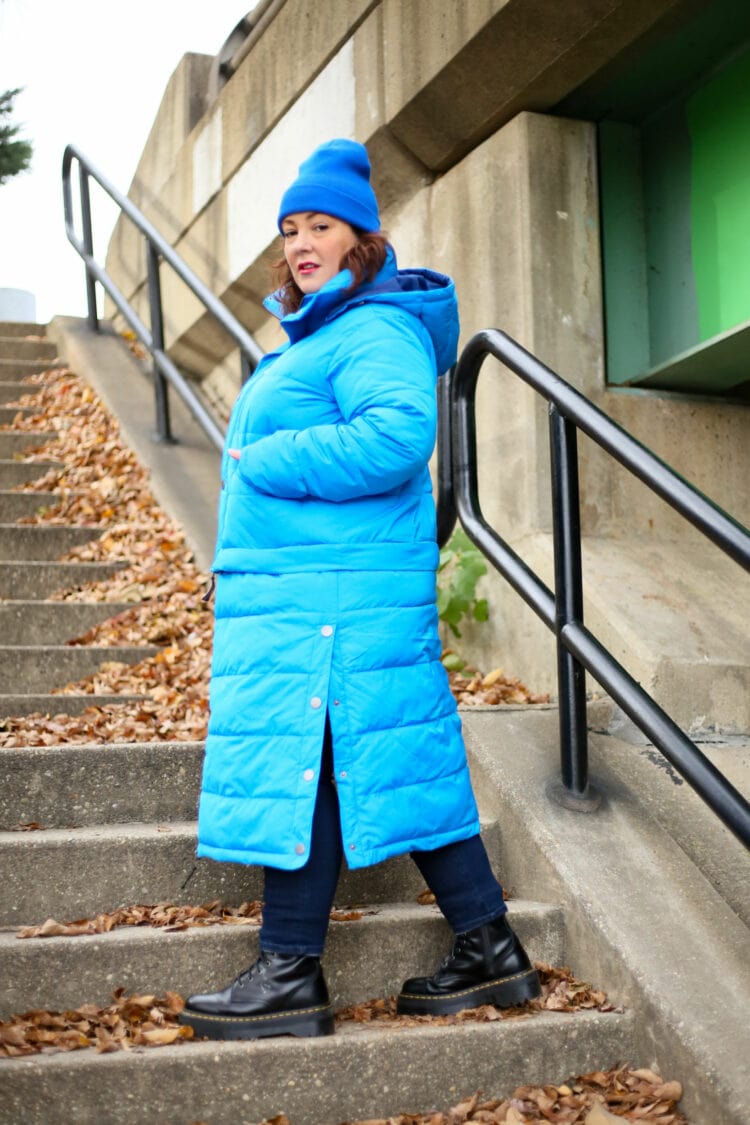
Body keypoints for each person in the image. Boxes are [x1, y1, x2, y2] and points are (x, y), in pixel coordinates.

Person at [179, 138, 541, 1041]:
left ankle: (290, 972)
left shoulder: (370, 327)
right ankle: (489, 946)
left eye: (322, 226)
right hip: (320, 589)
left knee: (318, 769)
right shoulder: (330, 329)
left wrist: (264, 459)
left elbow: (395, 435)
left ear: (363, 239)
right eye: (291, 229)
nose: (302, 243)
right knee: (374, 757)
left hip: (334, 595)